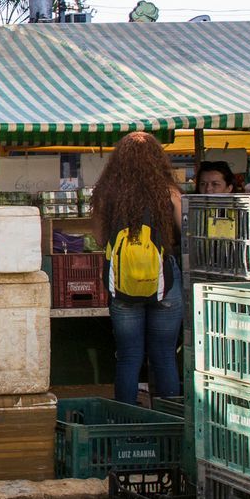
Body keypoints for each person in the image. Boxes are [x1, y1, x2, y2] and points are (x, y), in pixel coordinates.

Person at [96, 132, 184, 405]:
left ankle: (126, 421)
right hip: (164, 280)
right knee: (164, 355)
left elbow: (100, 239)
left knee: (129, 356)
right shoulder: (168, 191)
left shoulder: (106, 193)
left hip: (122, 285)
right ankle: (169, 422)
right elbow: (185, 231)